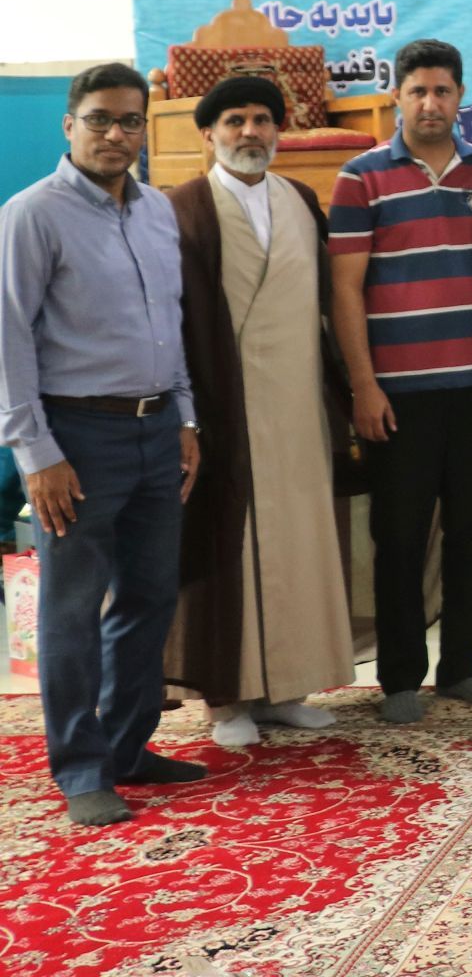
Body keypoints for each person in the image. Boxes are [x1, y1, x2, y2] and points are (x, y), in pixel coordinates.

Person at [1, 65, 204, 826]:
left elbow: (169, 324)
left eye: (129, 120)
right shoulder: (32, 215)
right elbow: (8, 340)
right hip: (76, 438)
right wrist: (36, 454)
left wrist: (185, 420)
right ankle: (81, 768)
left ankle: (125, 748)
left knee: (149, 596)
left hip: (156, 429)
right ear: (69, 125)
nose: (115, 134)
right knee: (74, 608)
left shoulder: (156, 211)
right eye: (99, 119)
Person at [164, 75, 353, 748]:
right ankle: (227, 701)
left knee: (299, 541)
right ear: (208, 133)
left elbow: (326, 305)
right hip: (224, 407)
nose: (250, 132)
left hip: (297, 406)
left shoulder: (299, 198)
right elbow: (170, 319)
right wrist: (186, 415)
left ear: (279, 130)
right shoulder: (184, 207)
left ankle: (286, 691)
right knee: (229, 547)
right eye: (235, 120)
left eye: (263, 119)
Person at [329, 38, 472, 726]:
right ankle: (400, 677)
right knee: (401, 537)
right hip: (398, 395)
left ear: (460, 96)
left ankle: (460, 668)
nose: (430, 103)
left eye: (442, 90)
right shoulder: (361, 178)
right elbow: (345, 292)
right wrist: (363, 387)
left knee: (471, 534)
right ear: (396, 97)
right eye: (417, 91)